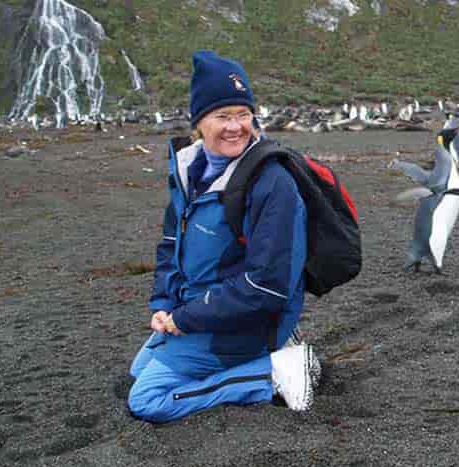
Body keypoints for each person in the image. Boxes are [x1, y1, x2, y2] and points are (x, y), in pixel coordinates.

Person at [127, 50, 318, 423]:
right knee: (139, 369)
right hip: (203, 311)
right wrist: (164, 304)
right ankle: (265, 359)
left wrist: (186, 318)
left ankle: (274, 373)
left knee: (147, 399)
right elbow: (171, 244)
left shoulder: (271, 183)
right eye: (223, 116)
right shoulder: (188, 171)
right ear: (199, 122)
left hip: (245, 320)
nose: (236, 126)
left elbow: (268, 285)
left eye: (243, 115)